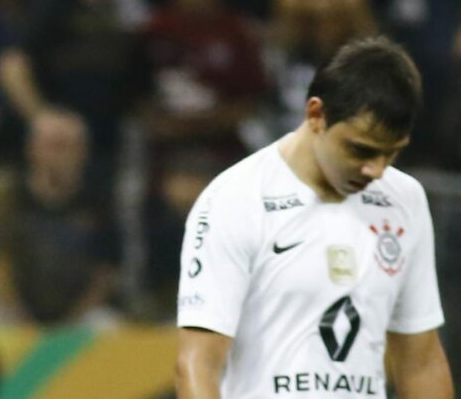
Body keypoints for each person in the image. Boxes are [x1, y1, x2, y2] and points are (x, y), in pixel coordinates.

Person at [175, 36, 454, 398]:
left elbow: (422, 361)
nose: (376, 170)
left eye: (391, 154)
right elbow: (196, 366)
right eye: (361, 150)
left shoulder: (404, 200)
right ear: (316, 114)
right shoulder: (236, 199)